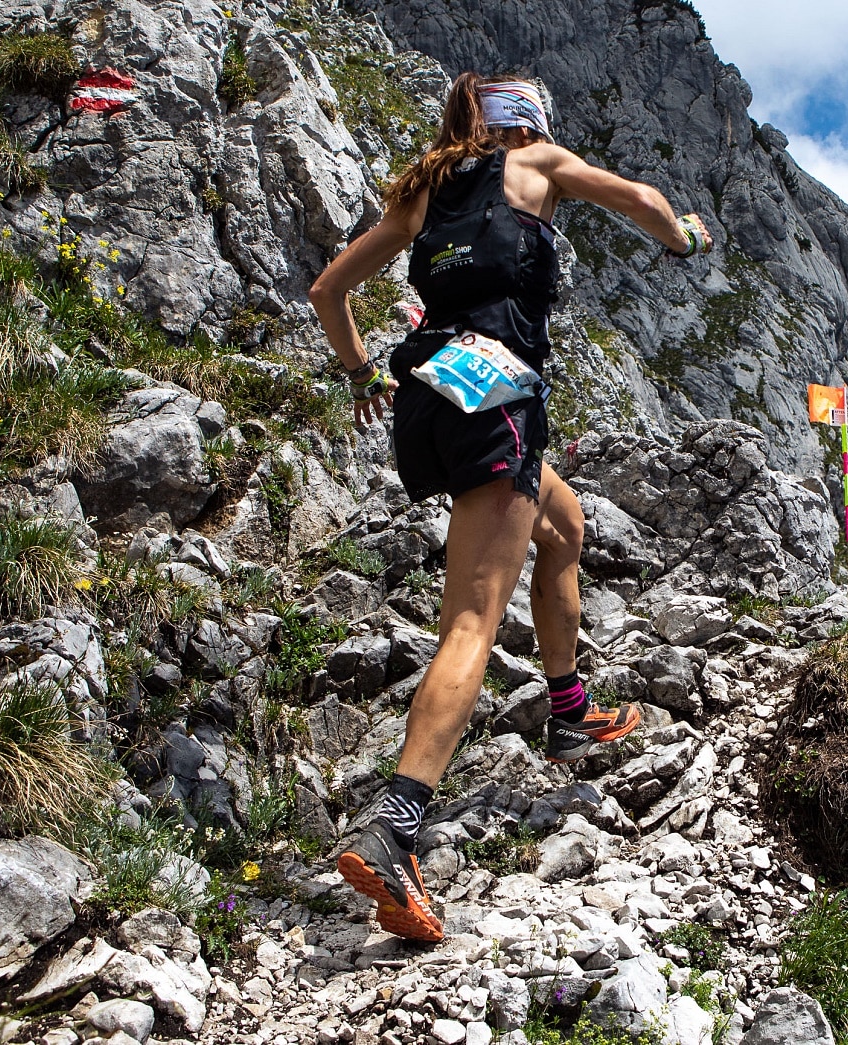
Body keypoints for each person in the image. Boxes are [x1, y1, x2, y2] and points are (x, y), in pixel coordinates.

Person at [308, 72, 713, 943]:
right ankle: (394, 825)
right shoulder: (540, 161)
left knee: (564, 525)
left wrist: (358, 373)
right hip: (497, 392)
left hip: (425, 393)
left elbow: (327, 293)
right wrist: (684, 240)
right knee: (471, 622)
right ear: (529, 122)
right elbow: (643, 199)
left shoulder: (423, 189)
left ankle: (566, 712)